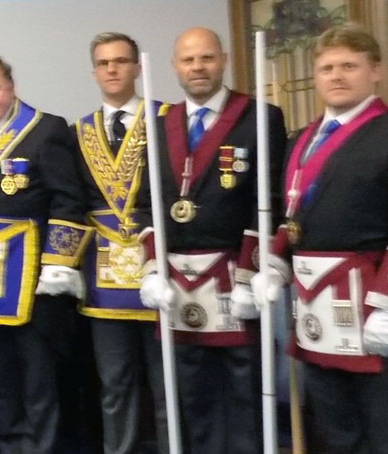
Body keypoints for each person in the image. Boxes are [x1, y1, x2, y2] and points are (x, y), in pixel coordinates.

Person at [249, 22, 388, 454]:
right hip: (320, 319)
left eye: (349, 65)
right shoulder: (300, 140)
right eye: (326, 68)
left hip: (383, 318)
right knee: (338, 438)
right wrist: (274, 263)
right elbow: (297, 217)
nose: (336, 76)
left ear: (375, 71)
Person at [136, 27, 287, 454]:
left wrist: (249, 273)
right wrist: (152, 269)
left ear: (223, 59)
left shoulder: (259, 116)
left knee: (246, 391)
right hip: (178, 283)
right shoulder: (161, 122)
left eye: (206, 58)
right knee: (191, 394)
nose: (197, 68)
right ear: (174, 67)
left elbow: (269, 201)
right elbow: (148, 202)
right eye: (188, 60)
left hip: (233, 275)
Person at [0, 55, 89, 454]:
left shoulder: (46, 130)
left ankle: (42, 449)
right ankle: (11, 445)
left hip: (31, 283)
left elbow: (68, 202)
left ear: (12, 87)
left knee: (38, 381)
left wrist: (58, 265)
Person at [71, 32, 168, 454]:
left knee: (167, 384)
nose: (112, 69)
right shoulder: (78, 132)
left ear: (138, 68)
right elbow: (72, 200)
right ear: (94, 72)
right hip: (103, 274)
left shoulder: (167, 121)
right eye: (104, 63)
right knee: (114, 384)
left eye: (121, 61)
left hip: (159, 267)